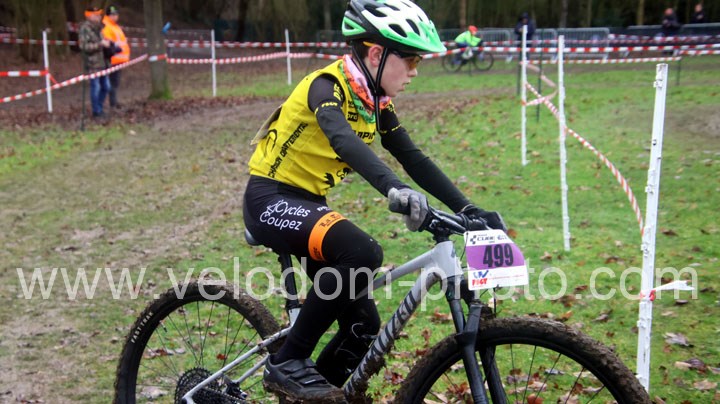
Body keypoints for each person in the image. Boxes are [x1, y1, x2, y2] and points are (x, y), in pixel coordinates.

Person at [243, 0, 506, 401]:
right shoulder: (326, 87)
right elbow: (343, 140)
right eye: (411, 60)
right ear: (376, 54)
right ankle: (287, 361)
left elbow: (413, 156)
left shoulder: (375, 102)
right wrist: (393, 188)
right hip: (270, 199)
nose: (415, 72)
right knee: (362, 251)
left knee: (363, 327)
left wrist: (467, 208)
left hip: (309, 203)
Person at [78, 7, 112, 119]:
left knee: (106, 87)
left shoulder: (99, 28)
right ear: (89, 16)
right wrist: (100, 45)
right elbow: (83, 46)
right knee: (96, 87)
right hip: (93, 63)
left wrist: (108, 44)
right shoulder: (85, 29)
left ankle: (100, 107)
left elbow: (103, 41)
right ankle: (96, 111)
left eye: (99, 15)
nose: (99, 17)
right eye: (96, 15)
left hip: (103, 62)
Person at [102, 5, 130, 109]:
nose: (115, 16)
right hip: (113, 59)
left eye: (116, 14)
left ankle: (113, 102)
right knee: (112, 82)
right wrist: (116, 50)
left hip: (119, 59)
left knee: (115, 82)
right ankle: (112, 103)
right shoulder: (107, 27)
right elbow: (109, 43)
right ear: (108, 15)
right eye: (112, 15)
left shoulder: (115, 27)